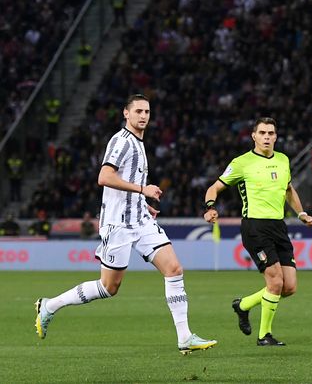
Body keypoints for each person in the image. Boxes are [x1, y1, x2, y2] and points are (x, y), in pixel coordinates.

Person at [35, 94, 216, 354]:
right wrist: (143, 190)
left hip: (140, 220)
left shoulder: (139, 143)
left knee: (174, 269)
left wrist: (143, 204)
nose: (143, 116)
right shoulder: (122, 142)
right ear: (126, 114)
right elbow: (104, 176)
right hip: (118, 224)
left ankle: (185, 337)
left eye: (147, 112)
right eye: (138, 111)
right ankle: (49, 305)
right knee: (109, 287)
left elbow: (125, 185)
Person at [203, 116, 312, 346]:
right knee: (275, 282)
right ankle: (264, 336)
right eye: (262, 133)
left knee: (289, 287)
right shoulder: (242, 162)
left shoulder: (283, 160)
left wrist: (301, 213)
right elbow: (214, 187)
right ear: (254, 136)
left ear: (276, 136)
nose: (266, 137)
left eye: (271, 133)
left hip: (279, 227)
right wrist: (210, 207)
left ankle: (242, 305)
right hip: (255, 227)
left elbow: (288, 190)